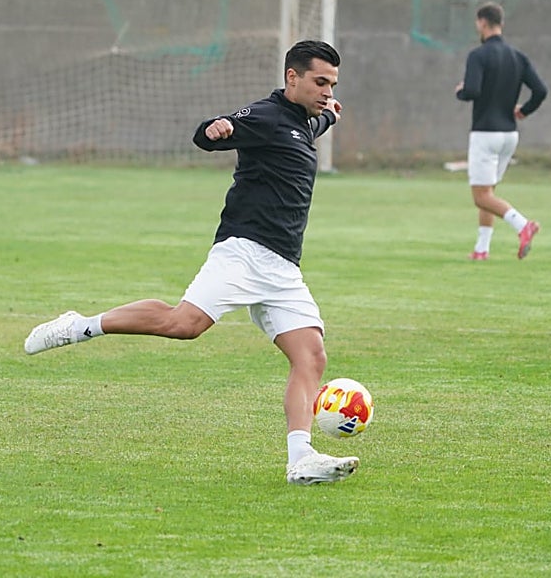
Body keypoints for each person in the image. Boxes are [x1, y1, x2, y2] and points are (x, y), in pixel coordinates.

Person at [24, 40, 359, 486]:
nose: (327, 91)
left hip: (282, 268)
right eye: (320, 82)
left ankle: (300, 460)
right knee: (183, 324)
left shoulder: (304, 121)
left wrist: (329, 114)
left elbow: (312, 125)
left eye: (332, 84)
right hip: (243, 252)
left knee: (311, 356)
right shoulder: (264, 116)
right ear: (292, 78)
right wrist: (217, 129)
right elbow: (210, 133)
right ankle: (80, 326)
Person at [455, 1, 547, 261]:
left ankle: (523, 225)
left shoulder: (478, 56)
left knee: (481, 197)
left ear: (481, 23)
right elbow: (541, 90)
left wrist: (461, 91)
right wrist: (524, 111)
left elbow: (472, 90)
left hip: (485, 133)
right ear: (501, 24)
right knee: (489, 194)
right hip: (509, 134)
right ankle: (481, 249)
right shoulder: (518, 57)